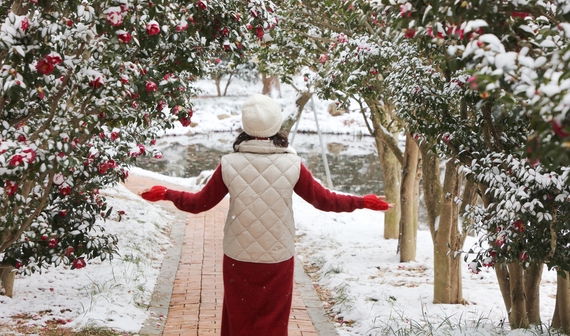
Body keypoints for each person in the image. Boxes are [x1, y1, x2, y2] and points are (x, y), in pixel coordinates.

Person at [140, 93, 393, 336]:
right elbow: (324, 200)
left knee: (237, 319)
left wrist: (167, 194)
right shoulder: (292, 164)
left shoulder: (229, 164)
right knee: (273, 320)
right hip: (278, 257)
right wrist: (361, 201)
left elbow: (199, 204)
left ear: (245, 126)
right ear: (276, 125)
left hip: (239, 256)